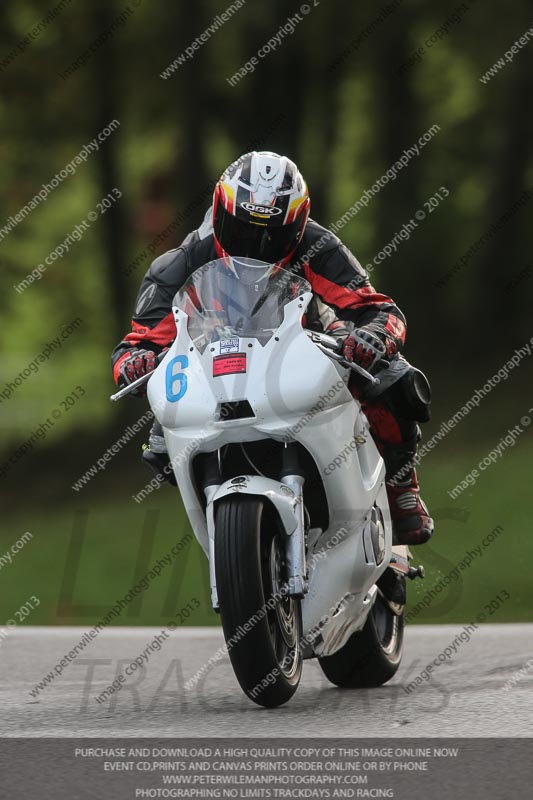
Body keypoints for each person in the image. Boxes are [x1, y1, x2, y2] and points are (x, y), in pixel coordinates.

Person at [112, 151, 433, 546]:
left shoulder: (318, 246)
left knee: (393, 376)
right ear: (219, 211)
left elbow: (379, 309)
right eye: (242, 230)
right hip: (215, 362)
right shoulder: (179, 263)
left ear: (298, 226)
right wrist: (134, 362)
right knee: (159, 445)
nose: (256, 245)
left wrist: (372, 336)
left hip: (308, 345)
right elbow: (138, 342)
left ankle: (402, 487)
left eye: (272, 234)